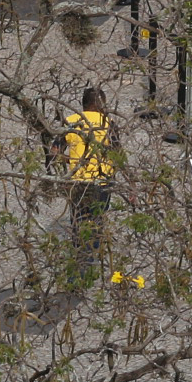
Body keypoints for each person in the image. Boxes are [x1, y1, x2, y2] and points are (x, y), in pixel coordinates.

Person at [59, 84, 114, 275]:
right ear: (100, 105)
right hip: (102, 183)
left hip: (77, 184)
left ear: (83, 105)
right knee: (96, 222)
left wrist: (65, 161)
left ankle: (79, 264)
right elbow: (117, 153)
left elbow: (54, 149)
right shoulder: (108, 123)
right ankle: (88, 265)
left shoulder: (71, 121)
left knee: (78, 223)